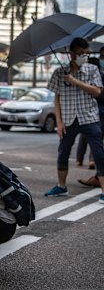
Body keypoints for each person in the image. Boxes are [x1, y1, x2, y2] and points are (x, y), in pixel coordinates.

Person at [45, 37, 104, 204]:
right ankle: (61, 186)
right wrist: (58, 122)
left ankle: (103, 191)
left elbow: (97, 92)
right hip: (69, 119)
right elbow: (56, 98)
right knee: (63, 152)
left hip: (89, 117)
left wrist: (74, 81)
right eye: (80, 53)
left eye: (85, 53)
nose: (83, 56)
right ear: (71, 54)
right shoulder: (59, 72)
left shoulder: (92, 69)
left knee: (99, 154)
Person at [77, 55, 104, 187]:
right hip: (96, 114)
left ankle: (98, 176)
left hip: (98, 114)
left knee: (95, 140)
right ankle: (98, 176)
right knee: (95, 140)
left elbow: (98, 93)